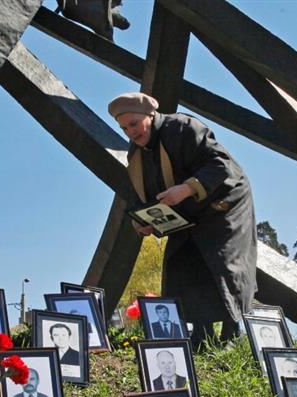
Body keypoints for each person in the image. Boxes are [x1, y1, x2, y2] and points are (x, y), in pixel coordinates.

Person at [109, 92, 256, 349]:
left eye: (134, 123)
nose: (130, 132)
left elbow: (223, 165)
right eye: (124, 128)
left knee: (221, 263)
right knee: (183, 263)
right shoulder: (137, 155)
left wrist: (187, 188)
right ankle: (201, 334)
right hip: (186, 214)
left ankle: (232, 333)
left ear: (149, 115)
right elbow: (140, 197)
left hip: (223, 206)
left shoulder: (182, 128)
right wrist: (141, 222)